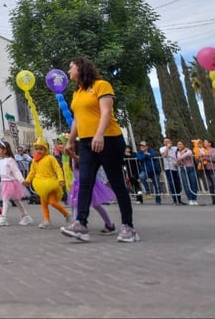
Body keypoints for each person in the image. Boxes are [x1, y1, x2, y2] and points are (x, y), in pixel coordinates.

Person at [61, 56, 139, 243]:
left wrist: (99, 134)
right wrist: (71, 141)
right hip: (86, 143)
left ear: (80, 68)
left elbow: (105, 112)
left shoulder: (101, 85)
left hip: (109, 139)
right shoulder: (77, 93)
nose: (68, 71)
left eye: (70, 67)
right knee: (85, 182)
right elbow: (78, 119)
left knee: (116, 182)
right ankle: (80, 224)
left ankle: (128, 227)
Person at [66, 152, 117, 238]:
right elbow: (75, 173)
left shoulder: (84, 157)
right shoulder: (72, 158)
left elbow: (83, 166)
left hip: (89, 184)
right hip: (78, 185)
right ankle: (76, 224)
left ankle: (110, 224)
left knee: (97, 205)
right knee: (76, 205)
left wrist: (73, 156)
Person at [24, 137, 71, 229]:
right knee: (43, 203)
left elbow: (58, 169)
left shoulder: (50, 158)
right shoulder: (35, 160)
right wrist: (28, 180)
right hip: (40, 185)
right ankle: (47, 220)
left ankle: (67, 214)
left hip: (50, 184)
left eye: (41, 149)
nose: (39, 151)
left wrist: (61, 180)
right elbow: (32, 171)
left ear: (46, 149)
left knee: (53, 202)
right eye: (37, 149)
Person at [0, 140, 32, 226]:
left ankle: (4, 217)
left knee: (6, 200)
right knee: (17, 201)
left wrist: (22, 181)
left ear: (5, 150)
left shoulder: (10, 160)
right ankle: (26, 216)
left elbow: (16, 171)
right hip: (4, 183)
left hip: (11, 183)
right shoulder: (0, 161)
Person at [136, 141, 162, 205]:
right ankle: (148, 189)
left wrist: (146, 155)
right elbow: (140, 158)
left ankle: (158, 200)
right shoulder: (139, 152)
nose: (141, 147)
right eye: (141, 146)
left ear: (147, 146)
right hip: (145, 170)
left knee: (157, 186)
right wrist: (146, 154)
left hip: (154, 171)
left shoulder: (151, 150)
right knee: (141, 176)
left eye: (143, 146)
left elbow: (153, 155)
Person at [160, 138, 184, 205]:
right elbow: (164, 155)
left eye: (168, 141)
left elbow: (182, 150)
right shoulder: (162, 148)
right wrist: (167, 148)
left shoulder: (175, 148)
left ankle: (179, 200)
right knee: (172, 184)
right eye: (165, 141)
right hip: (168, 168)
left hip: (176, 168)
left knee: (178, 184)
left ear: (171, 142)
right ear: (164, 143)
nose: (167, 142)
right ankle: (174, 200)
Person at [175, 140, 200, 205]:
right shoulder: (177, 152)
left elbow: (187, 154)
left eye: (181, 144)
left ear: (184, 145)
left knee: (193, 183)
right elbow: (176, 161)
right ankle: (190, 199)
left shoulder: (188, 150)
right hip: (182, 168)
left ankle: (194, 199)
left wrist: (181, 155)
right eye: (178, 144)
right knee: (185, 184)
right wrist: (180, 156)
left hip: (190, 168)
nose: (179, 145)